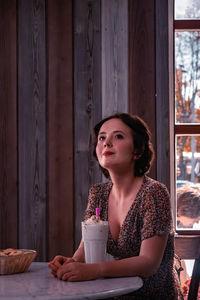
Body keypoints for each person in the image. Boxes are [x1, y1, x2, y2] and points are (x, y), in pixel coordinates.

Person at [48, 113, 183, 299]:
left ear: (138, 151)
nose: (106, 142)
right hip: (111, 293)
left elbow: (149, 263)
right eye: (102, 137)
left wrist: (93, 271)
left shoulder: (154, 193)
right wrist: (70, 264)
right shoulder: (98, 194)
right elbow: (84, 250)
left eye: (118, 136)